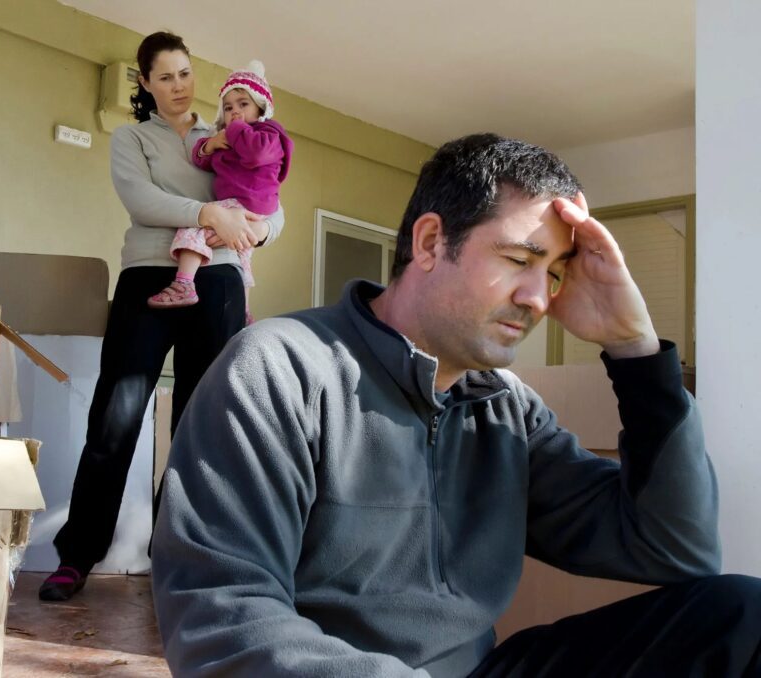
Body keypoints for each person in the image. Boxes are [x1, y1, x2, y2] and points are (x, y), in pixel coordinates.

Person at [151, 133, 761, 676]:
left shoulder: (506, 409)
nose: (537, 297)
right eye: (520, 260)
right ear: (430, 241)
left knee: (742, 616)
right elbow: (221, 621)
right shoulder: (279, 369)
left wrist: (636, 350)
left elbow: (676, 547)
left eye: (553, 273)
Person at [38, 31, 285, 602]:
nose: (179, 86)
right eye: (166, 76)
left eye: (186, 73)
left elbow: (271, 201)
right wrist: (206, 211)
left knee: (200, 426)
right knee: (115, 418)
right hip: (148, 277)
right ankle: (77, 555)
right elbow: (140, 200)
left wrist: (256, 229)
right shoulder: (131, 138)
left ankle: (178, 560)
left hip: (219, 281)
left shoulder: (227, 129)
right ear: (145, 82)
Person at [147, 59, 293, 326]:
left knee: (194, 227)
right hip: (243, 206)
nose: (235, 112)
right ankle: (246, 311)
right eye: (228, 107)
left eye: (243, 104)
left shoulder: (268, 133)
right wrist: (211, 143)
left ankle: (183, 283)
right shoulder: (229, 139)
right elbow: (202, 160)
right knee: (241, 255)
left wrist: (235, 128)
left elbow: (257, 153)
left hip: (249, 200)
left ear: (261, 106)